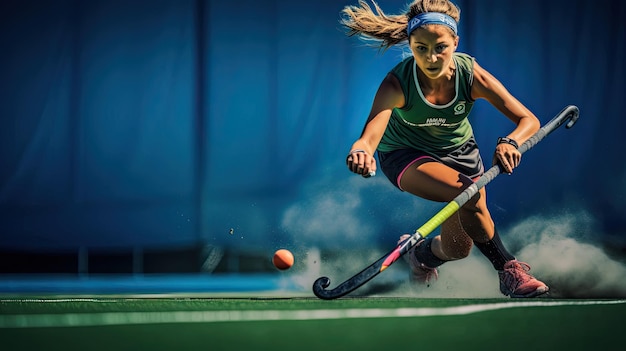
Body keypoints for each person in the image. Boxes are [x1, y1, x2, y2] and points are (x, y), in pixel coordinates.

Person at [341, 0, 549, 298]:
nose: (431, 57)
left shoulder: (471, 76)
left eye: (440, 47)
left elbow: (528, 119)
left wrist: (511, 141)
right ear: (410, 45)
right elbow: (370, 135)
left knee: (457, 248)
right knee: (469, 193)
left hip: (461, 154)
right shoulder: (397, 84)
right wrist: (361, 150)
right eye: (420, 48)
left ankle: (420, 255)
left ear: (455, 42)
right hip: (405, 154)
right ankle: (509, 271)